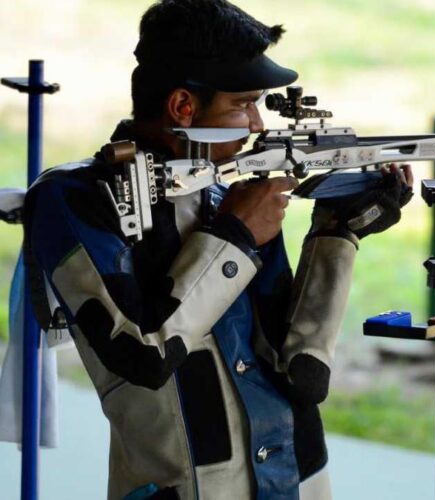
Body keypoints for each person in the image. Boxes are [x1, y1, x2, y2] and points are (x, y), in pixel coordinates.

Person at [23, 1, 413, 499]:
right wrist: (237, 235)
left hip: (300, 480)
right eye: (243, 103)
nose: (256, 124)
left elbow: (303, 371)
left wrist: (337, 235)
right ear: (184, 107)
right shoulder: (77, 199)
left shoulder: (228, 188)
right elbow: (143, 354)